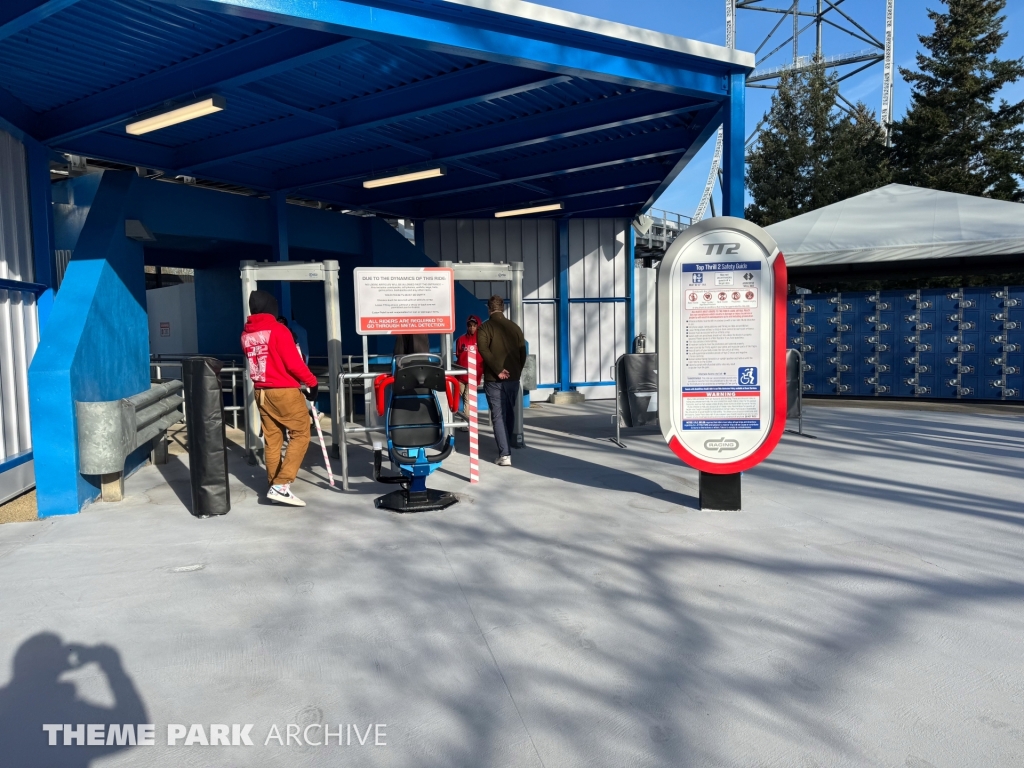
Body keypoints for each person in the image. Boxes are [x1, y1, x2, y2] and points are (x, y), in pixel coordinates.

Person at [242, 290, 319, 507]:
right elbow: (293, 363)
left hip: (261, 391)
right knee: (301, 433)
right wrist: (312, 382)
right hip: (284, 390)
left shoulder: (246, 334)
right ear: (271, 308)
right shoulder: (278, 330)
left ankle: (273, 484)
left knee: (273, 439)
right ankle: (282, 484)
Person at [477, 295, 526, 466]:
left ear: (489, 308)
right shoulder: (515, 328)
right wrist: (516, 372)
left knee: (498, 416)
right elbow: (522, 353)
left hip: (494, 379)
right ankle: (509, 444)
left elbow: (483, 349)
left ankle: (505, 454)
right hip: (513, 379)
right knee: (509, 412)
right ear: (503, 308)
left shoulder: (485, 328)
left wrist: (498, 370)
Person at [454, 315, 484, 424]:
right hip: (460, 376)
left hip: (474, 375)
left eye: (474, 326)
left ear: (478, 326)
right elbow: (458, 355)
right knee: (463, 397)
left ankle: (465, 422)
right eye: (470, 326)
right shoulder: (460, 340)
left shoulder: (482, 341)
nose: (472, 328)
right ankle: (466, 418)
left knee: (468, 399)